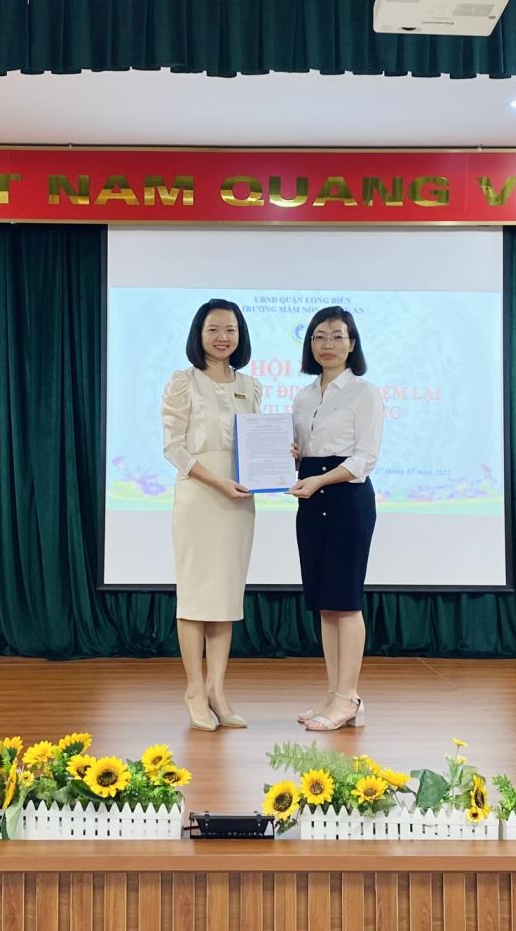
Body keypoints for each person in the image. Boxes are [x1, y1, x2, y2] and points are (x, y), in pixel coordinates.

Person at [161, 299, 263, 731]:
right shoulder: (182, 382)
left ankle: (217, 692)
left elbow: (256, 443)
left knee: (225, 597)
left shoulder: (251, 386)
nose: (223, 337)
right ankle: (193, 690)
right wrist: (217, 481)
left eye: (231, 330)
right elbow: (173, 447)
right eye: (214, 329)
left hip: (239, 500)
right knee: (195, 595)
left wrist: (282, 454)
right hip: (200, 494)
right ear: (198, 334)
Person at [288, 306, 383, 732]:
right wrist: (292, 458)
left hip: (347, 499)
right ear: (310, 344)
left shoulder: (365, 393)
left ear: (352, 343)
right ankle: (334, 694)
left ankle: (349, 697)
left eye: (337, 336)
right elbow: (303, 452)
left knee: (345, 601)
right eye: (319, 337)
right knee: (325, 604)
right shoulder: (304, 396)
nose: (328, 344)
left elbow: (365, 458)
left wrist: (320, 479)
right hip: (310, 500)